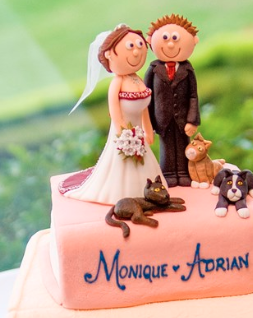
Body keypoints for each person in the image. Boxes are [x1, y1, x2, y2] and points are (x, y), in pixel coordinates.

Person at [59, 24, 166, 204]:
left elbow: (144, 108)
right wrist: (125, 134)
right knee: (124, 164)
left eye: (140, 46)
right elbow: (115, 112)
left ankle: (147, 191)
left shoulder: (137, 79)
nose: (137, 53)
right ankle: (123, 194)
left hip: (138, 133)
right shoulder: (116, 83)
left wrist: (147, 129)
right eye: (130, 47)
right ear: (109, 54)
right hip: (124, 135)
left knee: (144, 164)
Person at [144, 14, 200, 187]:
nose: (170, 44)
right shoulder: (154, 70)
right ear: (150, 40)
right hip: (162, 119)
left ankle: (184, 172)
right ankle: (168, 173)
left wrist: (192, 120)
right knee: (167, 147)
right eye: (166, 39)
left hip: (183, 119)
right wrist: (149, 123)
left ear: (194, 41)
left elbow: (193, 96)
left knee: (183, 144)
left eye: (175, 39)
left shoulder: (188, 70)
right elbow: (147, 98)